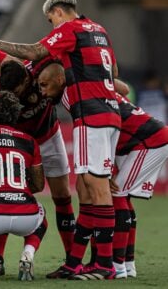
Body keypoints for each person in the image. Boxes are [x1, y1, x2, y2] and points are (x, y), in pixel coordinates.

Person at [0, 0, 121, 280]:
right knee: (85, 187)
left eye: (50, 21)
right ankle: (80, 262)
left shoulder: (69, 29)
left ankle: (99, 262)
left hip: (83, 117)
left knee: (92, 188)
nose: (53, 29)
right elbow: (114, 71)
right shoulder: (100, 30)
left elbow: (33, 50)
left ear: (56, 12)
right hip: (106, 113)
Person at [37, 62, 168, 280]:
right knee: (111, 197)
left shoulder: (74, 92)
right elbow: (124, 89)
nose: (42, 91)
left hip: (147, 141)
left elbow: (93, 121)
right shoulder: (92, 83)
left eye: (44, 85)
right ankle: (123, 264)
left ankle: (113, 265)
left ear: (60, 80)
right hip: (130, 140)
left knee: (112, 196)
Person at [0, 58, 74, 276]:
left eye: (15, 93)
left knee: (62, 195)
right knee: (3, 192)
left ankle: (72, 260)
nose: (12, 99)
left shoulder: (41, 70)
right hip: (15, 139)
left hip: (48, 135)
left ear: (28, 79)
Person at [0, 90, 47, 281]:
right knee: (42, 214)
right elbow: (38, 184)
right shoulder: (29, 141)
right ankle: (28, 254)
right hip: (26, 218)